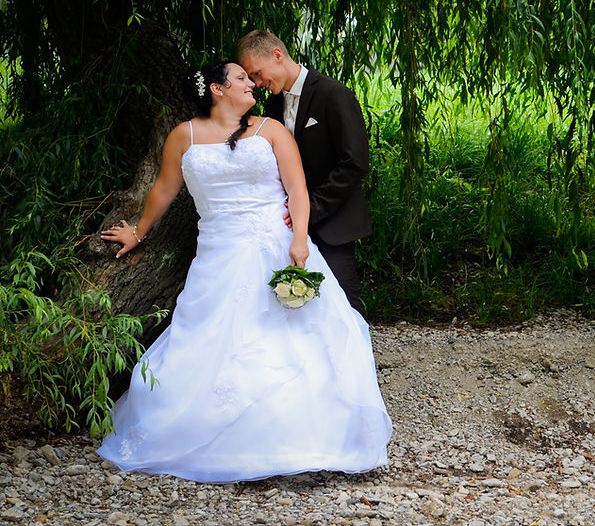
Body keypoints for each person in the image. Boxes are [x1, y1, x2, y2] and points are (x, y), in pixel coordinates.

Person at [98, 61, 392, 483]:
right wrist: (138, 233)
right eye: (241, 78)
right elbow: (164, 188)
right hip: (219, 253)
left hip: (275, 245)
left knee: (290, 338)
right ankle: (211, 434)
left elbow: (297, 190)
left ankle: (298, 432)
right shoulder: (184, 135)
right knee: (211, 336)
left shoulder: (270, 129)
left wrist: (300, 240)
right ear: (217, 89)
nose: (252, 83)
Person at [237, 31, 371, 310]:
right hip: (284, 225)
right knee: (296, 313)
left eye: (258, 74)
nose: (258, 83)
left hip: (333, 222)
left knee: (343, 307)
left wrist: (310, 208)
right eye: (252, 78)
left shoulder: (333, 94)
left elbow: (354, 162)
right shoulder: (274, 104)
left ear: (277, 55)